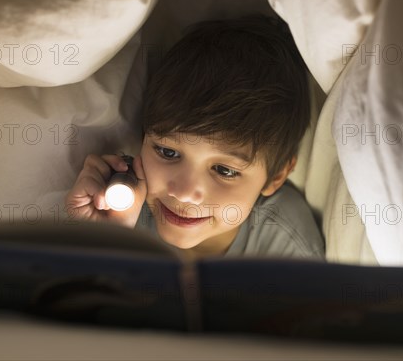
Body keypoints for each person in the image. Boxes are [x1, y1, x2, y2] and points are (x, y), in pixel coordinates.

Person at [65, 15, 325, 260]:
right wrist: (103, 241)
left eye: (224, 170)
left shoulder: (288, 249)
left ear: (276, 175)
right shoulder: (120, 204)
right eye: (168, 152)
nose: (185, 193)